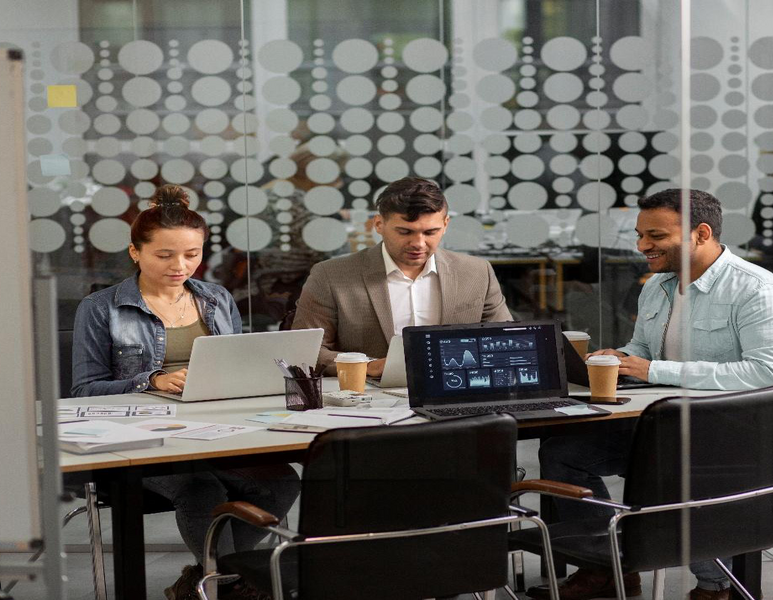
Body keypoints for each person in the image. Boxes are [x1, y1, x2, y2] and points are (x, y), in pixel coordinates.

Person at [531, 189, 773, 600]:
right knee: (565, 452)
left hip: (768, 433)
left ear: (701, 234)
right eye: (639, 235)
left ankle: (716, 587)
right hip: (679, 425)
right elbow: (644, 349)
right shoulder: (657, 286)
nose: (641, 247)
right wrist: (622, 357)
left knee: (676, 464)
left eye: (654, 236)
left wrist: (653, 370)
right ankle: (609, 567)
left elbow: (767, 374)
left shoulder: (758, 290)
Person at [71, 185, 299, 600]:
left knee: (281, 482)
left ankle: (208, 578)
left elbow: (238, 365)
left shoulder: (217, 298)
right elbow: (85, 390)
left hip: (217, 431)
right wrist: (151, 380)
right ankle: (232, 585)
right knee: (199, 487)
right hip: (141, 439)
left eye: (192, 255)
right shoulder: (101, 308)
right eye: (165, 255)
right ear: (135, 252)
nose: (181, 266)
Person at [292, 177, 513, 375]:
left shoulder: (476, 273)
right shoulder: (331, 276)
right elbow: (305, 352)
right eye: (405, 232)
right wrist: (367, 367)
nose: (418, 243)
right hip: (371, 400)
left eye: (430, 232)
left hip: (457, 391)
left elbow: (507, 341)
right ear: (379, 224)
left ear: (445, 225)